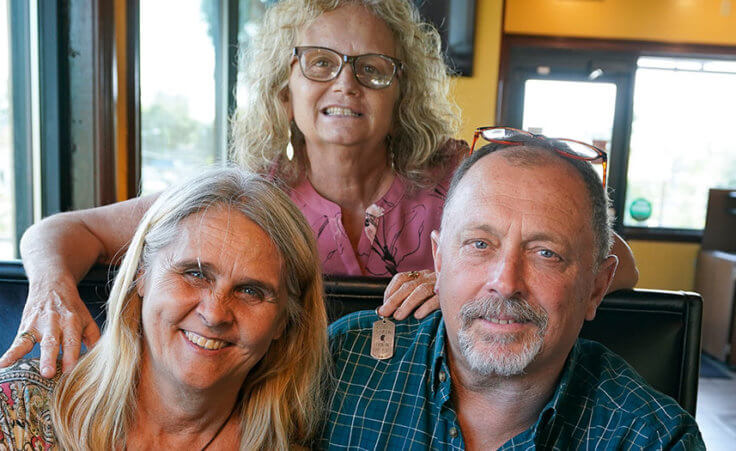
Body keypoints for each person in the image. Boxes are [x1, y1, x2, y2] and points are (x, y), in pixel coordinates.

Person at [0, 0, 636, 379]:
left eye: (373, 69)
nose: (346, 86)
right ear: (286, 86)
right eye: (321, 63)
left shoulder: (463, 176)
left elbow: (615, 264)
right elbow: (60, 231)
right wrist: (51, 287)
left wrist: (465, 283)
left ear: (402, 91)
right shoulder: (248, 196)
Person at [322, 135, 703, 449]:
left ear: (596, 287)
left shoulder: (653, 439)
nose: (505, 283)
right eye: (479, 244)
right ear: (438, 261)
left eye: (546, 254)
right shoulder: (342, 362)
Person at [0, 167, 328, 449]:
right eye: (195, 274)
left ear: (284, 321)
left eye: (250, 291)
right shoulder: (17, 409)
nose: (214, 314)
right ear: (141, 275)